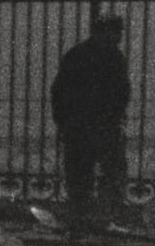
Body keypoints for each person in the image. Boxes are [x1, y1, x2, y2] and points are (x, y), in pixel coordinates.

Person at [49, 16, 131, 229]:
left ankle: (79, 219)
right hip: (104, 126)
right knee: (111, 172)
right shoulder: (114, 57)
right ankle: (104, 218)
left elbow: (58, 90)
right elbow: (122, 92)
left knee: (78, 175)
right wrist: (115, 117)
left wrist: (62, 121)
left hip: (76, 126)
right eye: (117, 32)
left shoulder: (75, 55)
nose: (120, 37)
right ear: (109, 32)